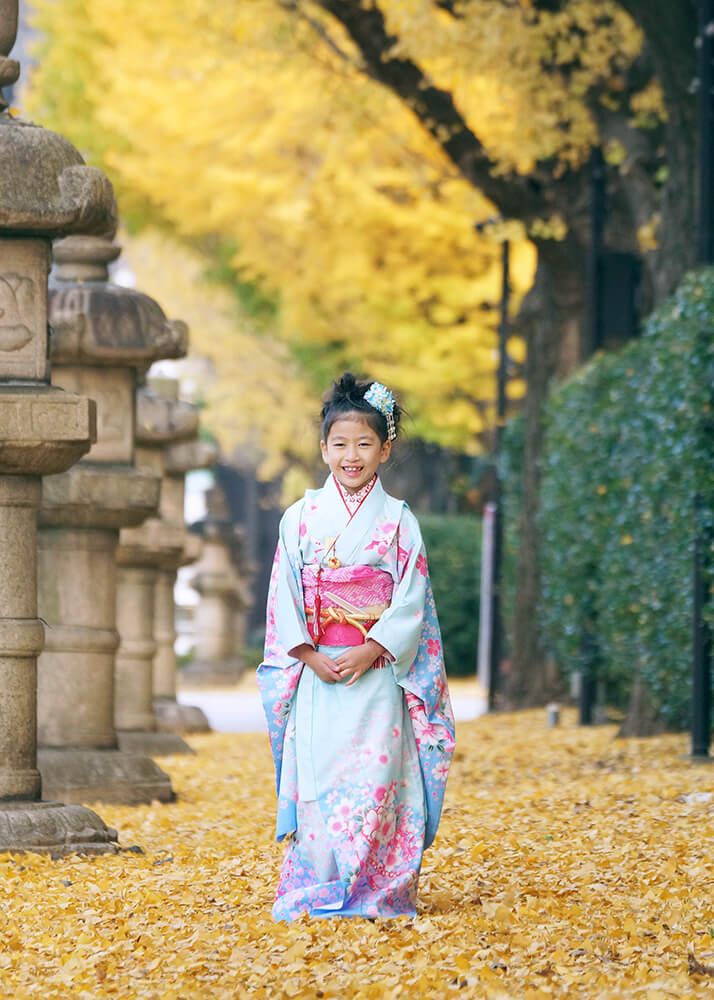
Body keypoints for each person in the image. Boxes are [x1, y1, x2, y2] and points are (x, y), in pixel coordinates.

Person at [257, 372, 455, 921]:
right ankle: (320, 882)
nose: (351, 455)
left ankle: (377, 887)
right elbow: (285, 594)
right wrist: (307, 655)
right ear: (323, 448)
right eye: (340, 444)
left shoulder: (397, 521)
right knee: (322, 777)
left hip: (375, 675)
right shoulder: (298, 519)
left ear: (385, 449)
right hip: (319, 670)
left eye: (364, 443)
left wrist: (372, 648)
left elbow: (411, 597)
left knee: (377, 777)